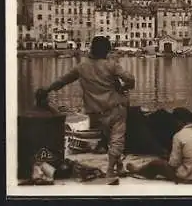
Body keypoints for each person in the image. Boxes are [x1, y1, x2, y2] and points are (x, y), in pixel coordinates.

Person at [35, 36, 135, 184]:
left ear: (91, 49)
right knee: (117, 139)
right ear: (107, 50)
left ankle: (119, 166)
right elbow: (130, 79)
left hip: (95, 111)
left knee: (109, 139)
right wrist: (124, 88)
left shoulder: (81, 67)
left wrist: (47, 89)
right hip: (115, 108)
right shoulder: (112, 65)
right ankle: (110, 170)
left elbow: (63, 80)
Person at [126, 107, 192, 183]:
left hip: (189, 176)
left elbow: (173, 164)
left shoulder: (179, 135)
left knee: (157, 163)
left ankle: (138, 170)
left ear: (179, 121)